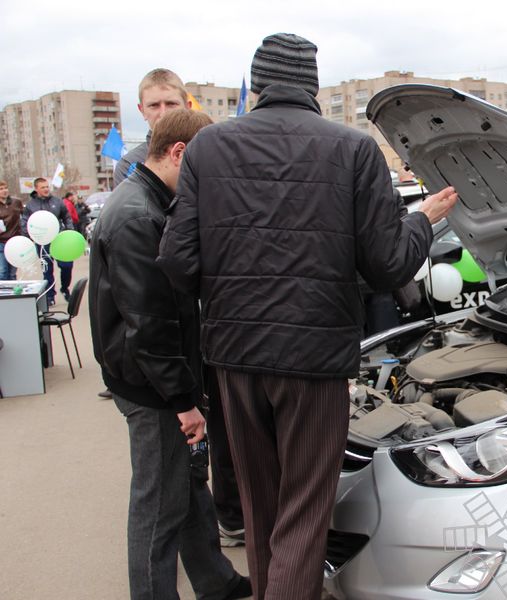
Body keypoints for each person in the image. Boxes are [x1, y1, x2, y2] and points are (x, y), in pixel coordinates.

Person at [158, 33, 458, 600]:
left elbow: (176, 259)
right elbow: (389, 262)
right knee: (303, 511)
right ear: (313, 86)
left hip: (234, 358)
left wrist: (230, 292)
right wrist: (423, 221)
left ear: (259, 83)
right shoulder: (353, 149)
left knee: (263, 505)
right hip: (314, 361)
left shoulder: (207, 148)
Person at [88, 109, 251, 600]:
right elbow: (151, 327)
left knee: (186, 491)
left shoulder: (148, 202)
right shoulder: (139, 216)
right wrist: (183, 402)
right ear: (180, 153)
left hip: (157, 379)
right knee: (159, 506)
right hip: (152, 387)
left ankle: (215, 581)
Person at [114, 68, 190, 187]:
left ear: (187, 106)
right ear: (142, 110)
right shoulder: (129, 166)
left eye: (171, 104)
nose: (164, 113)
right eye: (154, 105)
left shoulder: (208, 152)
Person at [22, 178, 74, 305]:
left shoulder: (57, 202)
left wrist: (69, 230)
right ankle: (50, 296)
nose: (46, 189)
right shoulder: (31, 205)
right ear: (36, 189)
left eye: (47, 187)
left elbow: (66, 217)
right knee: (47, 270)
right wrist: (27, 235)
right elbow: (25, 222)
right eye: (42, 187)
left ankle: (65, 288)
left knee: (67, 266)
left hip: (60, 239)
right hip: (43, 242)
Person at [0, 180, 24, 280]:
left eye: (5, 188)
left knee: (12, 273)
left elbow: (25, 217)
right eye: (1, 189)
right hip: (1, 241)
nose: (4, 191)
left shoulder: (16, 202)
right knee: (3, 271)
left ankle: (13, 295)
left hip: (15, 241)